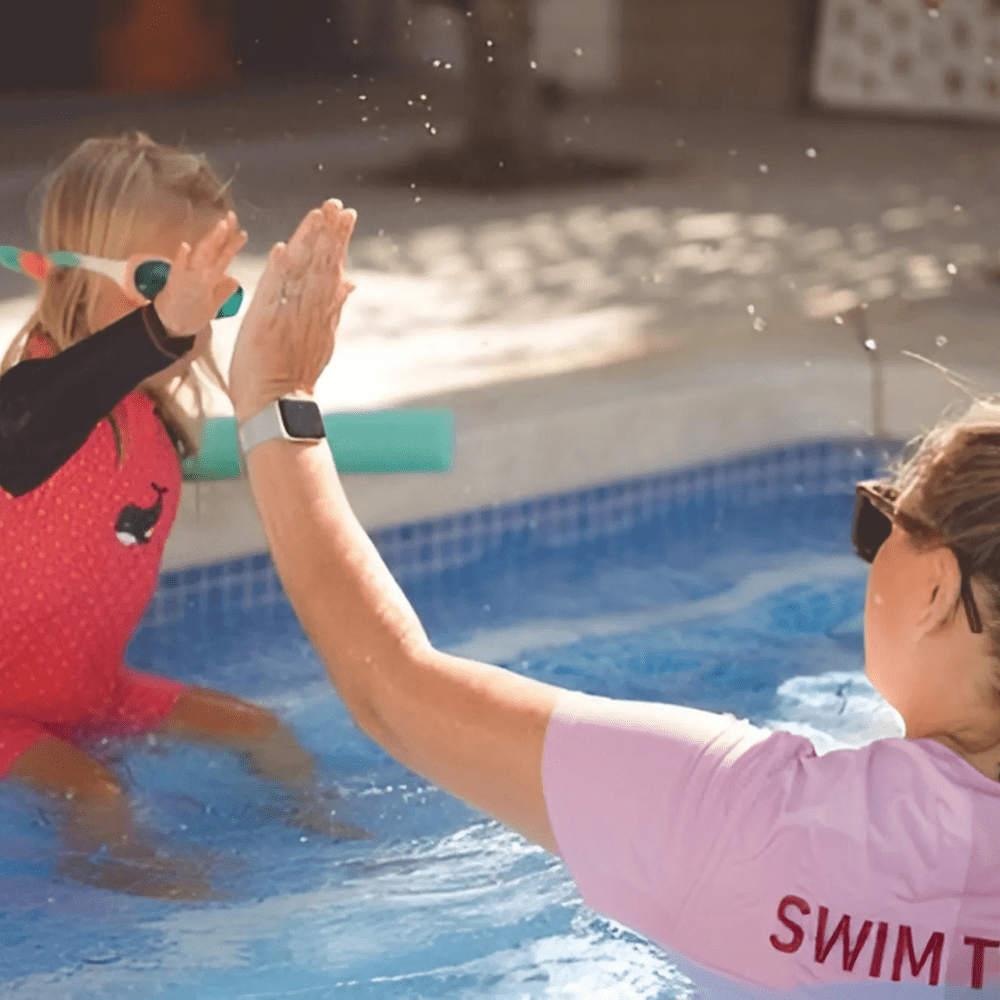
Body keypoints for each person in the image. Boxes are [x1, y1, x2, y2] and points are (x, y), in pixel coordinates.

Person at [228, 199, 1000, 994]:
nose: (867, 556)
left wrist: (275, 398)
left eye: (882, 527)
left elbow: (395, 686)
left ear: (938, 588)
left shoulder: (744, 817)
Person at [0, 133, 368, 902]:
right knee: (98, 798)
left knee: (267, 734)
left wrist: (284, 358)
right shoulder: (33, 402)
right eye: (164, 283)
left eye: (212, 294)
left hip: (91, 693)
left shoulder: (153, 421)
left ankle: (341, 855)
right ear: (75, 272)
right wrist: (159, 330)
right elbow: (37, 419)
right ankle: (111, 895)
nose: (194, 314)